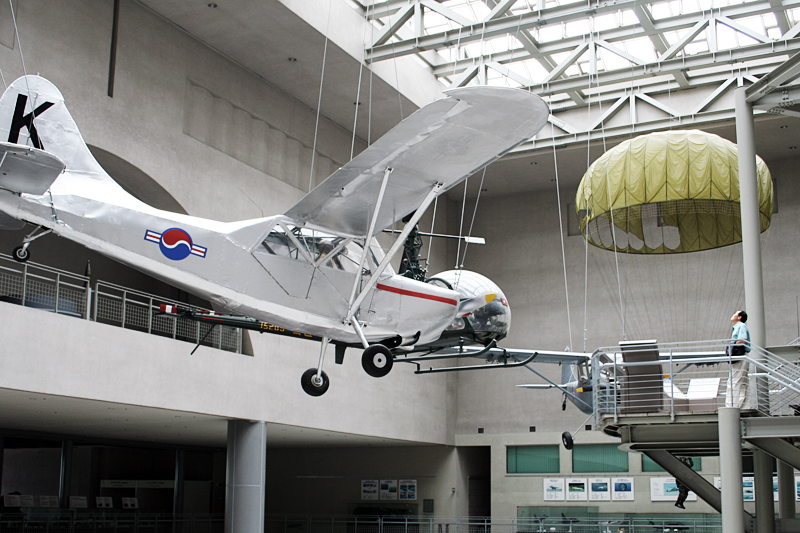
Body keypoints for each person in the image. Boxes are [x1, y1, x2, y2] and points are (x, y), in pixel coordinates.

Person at [725, 310, 751, 408]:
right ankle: (743, 405)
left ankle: (731, 406)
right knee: (742, 381)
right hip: (743, 355)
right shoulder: (739, 326)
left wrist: (732, 346)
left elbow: (742, 340)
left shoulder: (741, 326)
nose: (733, 315)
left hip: (739, 355)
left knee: (734, 380)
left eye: (735, 313)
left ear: (740, 317)